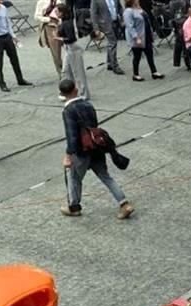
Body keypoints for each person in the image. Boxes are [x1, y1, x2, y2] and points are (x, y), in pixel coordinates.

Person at [59, 79, 134, 218]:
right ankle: (124, 203)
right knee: (106, 177)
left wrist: (68, 155)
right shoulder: (88, 105)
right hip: (96, 146)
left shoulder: (68, 111)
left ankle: (74, 207)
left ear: (62, 94)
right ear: (75, 90)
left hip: (82, 151)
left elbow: (72, 136)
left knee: (74, 178)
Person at [0, 0, 32, 92]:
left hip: (6, 36)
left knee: (14, 58)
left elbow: (7, 22)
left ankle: (20, 79)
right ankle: (2, 84)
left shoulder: (3, 7)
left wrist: (13, 36)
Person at [124, 0, 163, 81]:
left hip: (146, 35)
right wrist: (136, 37)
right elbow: (130, 26)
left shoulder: (140, 8)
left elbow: (147, 20)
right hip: (138, 37)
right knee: (137, 56)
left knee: (150, 54)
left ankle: (154, 72)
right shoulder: (128, 11)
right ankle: (135, 74)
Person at [57, 5, 90, 101]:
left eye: (57, 12)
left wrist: (58, 38)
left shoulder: (67, 23)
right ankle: (68, 91)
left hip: (74, 48)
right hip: (68, 48)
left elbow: (71, 38)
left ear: (62, 13)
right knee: (66, 70)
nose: (56, 14)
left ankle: (83, 94)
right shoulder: (63, 22)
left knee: (78, 72)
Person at [90, 0, 125, 74]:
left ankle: (109, 62)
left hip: (115, 21)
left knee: (111, 43)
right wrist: (96, 28)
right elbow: (93, 14)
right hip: (105, 24)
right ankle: (115, 66)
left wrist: (122, 17)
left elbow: (119, 7)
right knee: (113, 42)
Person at [36, 0, 64, 77]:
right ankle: (60, 72)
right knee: (55, 52)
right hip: (50, 27)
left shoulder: (58, 1)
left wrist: (60, 20)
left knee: (68, 47)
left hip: (60, 25)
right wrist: (48, 19)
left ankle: (69, 69)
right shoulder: (41, 2)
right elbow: (37, 16)